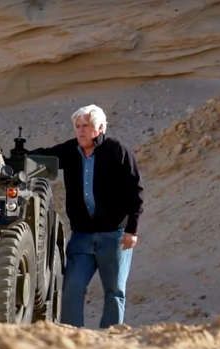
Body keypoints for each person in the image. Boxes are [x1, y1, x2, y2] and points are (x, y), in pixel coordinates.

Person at [27, 104, 144, 328]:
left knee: (115, 291)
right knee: (72, 287)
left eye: (86, 126)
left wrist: (132, 229)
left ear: (99, 128)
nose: (81, 131)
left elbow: (136, 190)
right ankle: (72, 336)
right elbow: (46, 156)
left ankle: (110, 337)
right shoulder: (71, 150)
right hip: (82, 236)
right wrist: (20, 156)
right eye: (78, 126)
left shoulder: (117, 150)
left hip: (115, 236)